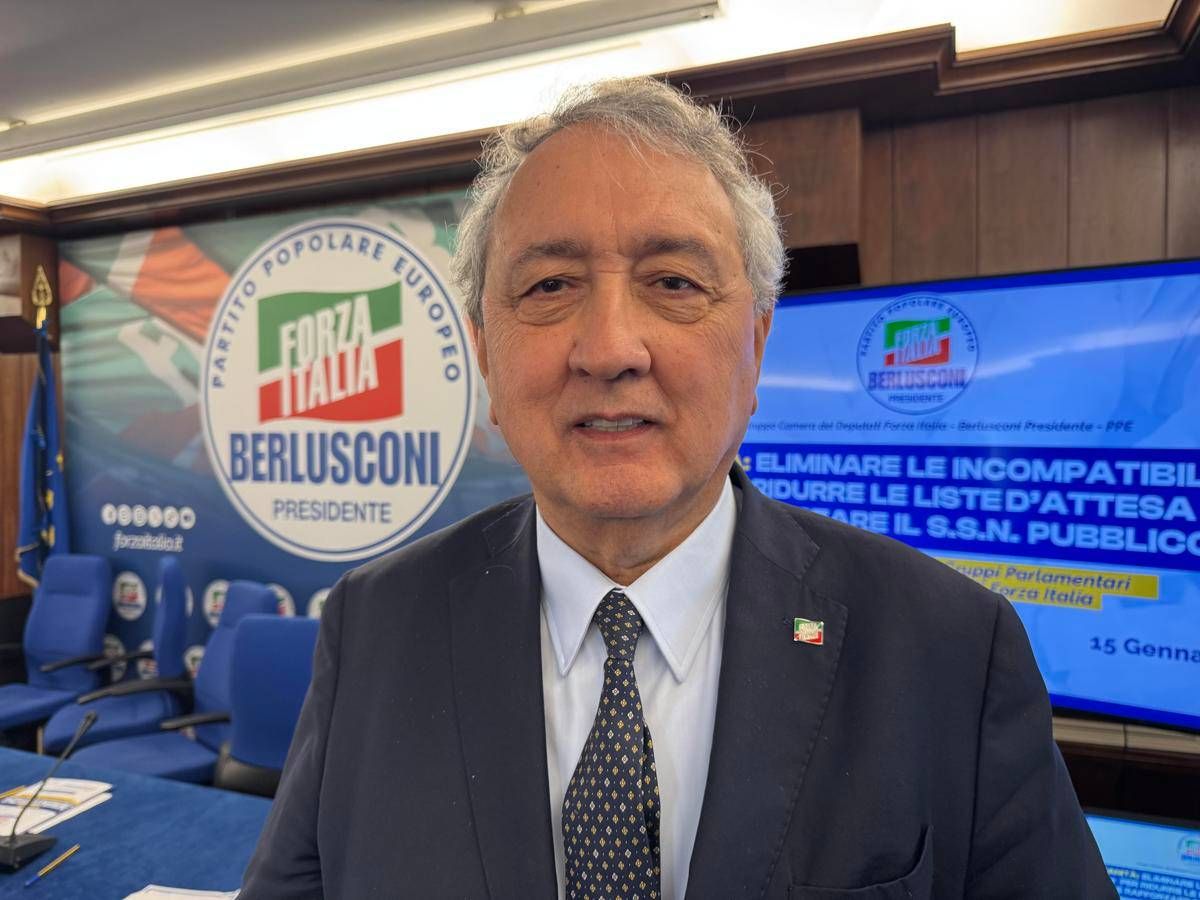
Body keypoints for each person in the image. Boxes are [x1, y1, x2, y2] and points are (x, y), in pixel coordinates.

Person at [241, 77, 1114, 899]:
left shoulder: (952, 650)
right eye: (550, 286)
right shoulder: (374, 626)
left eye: (673, 283)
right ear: (484, 355)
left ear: (756, 346)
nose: (609, 349)